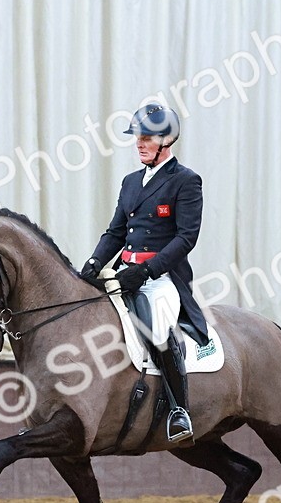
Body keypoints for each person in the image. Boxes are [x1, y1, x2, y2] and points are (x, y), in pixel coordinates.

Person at [79, 104, 209, 444]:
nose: (139, 144)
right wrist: (93, 263)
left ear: (167, 140)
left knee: (157, 329)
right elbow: (116, 233)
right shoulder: (130, 182)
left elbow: (186, 238)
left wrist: (147, 270)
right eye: (138, 138)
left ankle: (180, 411)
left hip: (162, 278)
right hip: (125, 273)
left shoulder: (185, 180)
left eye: (147, 138)